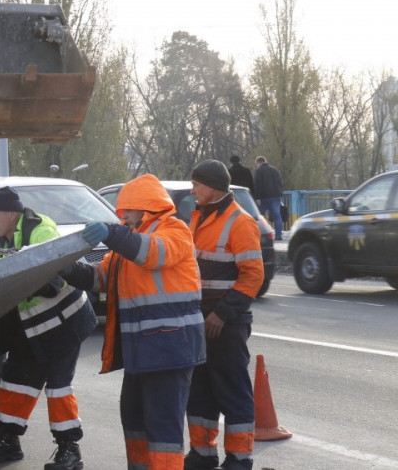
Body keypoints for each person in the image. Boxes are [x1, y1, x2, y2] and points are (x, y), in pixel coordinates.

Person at [61, 174, 205, 469]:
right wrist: (64, 268)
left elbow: (151, 253)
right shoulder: (129, 243)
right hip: (144, 352)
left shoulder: (174, 231)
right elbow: (100, 277)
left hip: (170, 350)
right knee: (135, 422)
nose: (121, 216)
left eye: (125, 210)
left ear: (145, 208)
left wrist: (112, 234)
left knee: (163, 431)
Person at [0, 186, 98, 470]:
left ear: (11, 213)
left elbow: (51, 276)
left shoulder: (40, 230)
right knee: (15, 380)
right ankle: (8, 442)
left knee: (58, 385)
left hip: (65, 323)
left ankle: (70, 450)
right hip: (31, 326)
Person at [185, 160, 265, 470]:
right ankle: (203, 455)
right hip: (199, 320)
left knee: (232, 389)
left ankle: (240, 459)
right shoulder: (198, 218)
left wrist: (221, 314)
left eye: (198, 184)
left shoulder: (239, 221)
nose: (193, 189)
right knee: (200, 389)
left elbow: (253, 276)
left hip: (226, 323)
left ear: (215, 187)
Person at [253, 156, 284, 240]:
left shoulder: (259, 171)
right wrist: (280, 195)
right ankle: (278, 235)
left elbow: (257, 185)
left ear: (258, 163)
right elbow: (280, 183)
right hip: (275, 197)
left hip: (264, 198)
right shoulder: (275, 170)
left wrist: (257, 198)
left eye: (257, 164)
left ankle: (259, 234)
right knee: (277, 216)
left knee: (259, 217)